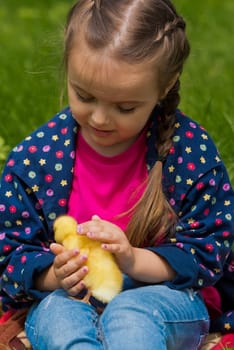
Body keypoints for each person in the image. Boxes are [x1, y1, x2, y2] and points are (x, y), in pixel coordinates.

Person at [0, 0, 233, 349]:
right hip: (67, 297)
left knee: (130, 314)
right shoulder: (36, 160)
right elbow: (10, 255)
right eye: (84, 96)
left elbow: (209, 251)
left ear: (166, 85)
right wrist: (56, 274)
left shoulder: (189, 154)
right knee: (59, 322)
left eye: (125, 107)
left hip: (164, 298)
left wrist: (132, 259)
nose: (99, 119)